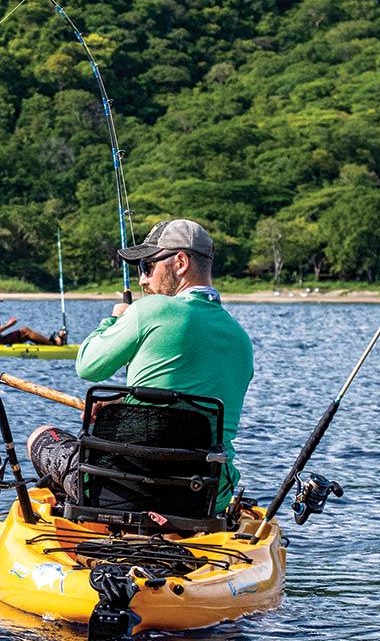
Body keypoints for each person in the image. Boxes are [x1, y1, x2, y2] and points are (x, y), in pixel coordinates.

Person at [27, 218, 253, 512]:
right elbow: (185, 404)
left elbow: (87, 365)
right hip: (204, 497)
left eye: (147, 266)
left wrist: (114, 319)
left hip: (122, 489)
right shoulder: (242, 340)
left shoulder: (148, 309)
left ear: (180, 262)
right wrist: (121, 405)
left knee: (40, 437)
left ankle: (85, 517)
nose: (143, 280)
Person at [0, 291, 67, 346]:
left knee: (24, 333)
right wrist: (8, 325)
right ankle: (52, 344)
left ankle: (49, 343)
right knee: (25, 331)